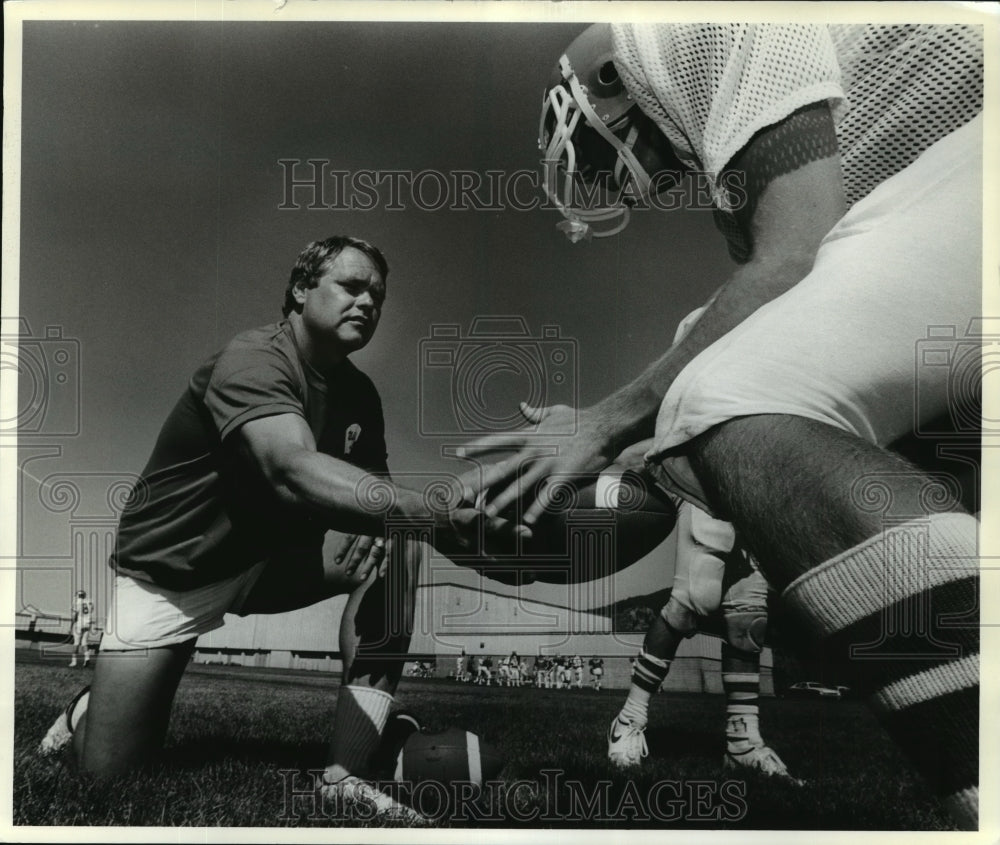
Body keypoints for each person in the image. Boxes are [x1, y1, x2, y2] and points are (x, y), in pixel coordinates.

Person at [466, 23, 982, 828]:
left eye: (600, 156)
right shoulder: (741, 155)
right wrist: (562, 488)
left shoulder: (708, 24)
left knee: (730, 399)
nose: (618, 183)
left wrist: (603, 425)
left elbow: (791, 258)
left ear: (609, 77)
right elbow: (791, 290)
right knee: (923, 473)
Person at [38, 236, 511, 822]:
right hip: (174, 570)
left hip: (267, 560)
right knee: (109, 779)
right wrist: (439, 515)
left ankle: (347, 770)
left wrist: (455, 526)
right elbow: (290, 471)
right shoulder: (253, 357)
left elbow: (372, 501)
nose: (368, 303)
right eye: (352, 286)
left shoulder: (359, 394)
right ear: (300, 289)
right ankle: (90, 712)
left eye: (378, 297)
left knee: (397, 543)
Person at [609, 499, 799, 782]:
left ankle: (742, 743)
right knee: (689, 603)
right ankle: (628, 720)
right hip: (703, 486)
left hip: (745, 497)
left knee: (749, 622)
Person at [68, 590, 94, 668]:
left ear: (78, 595)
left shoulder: (77, 603)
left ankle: (74, 662)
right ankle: (87, 659)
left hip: (79, 624)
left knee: (76, 643)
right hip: (88, 623)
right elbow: (91, 610)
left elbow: (74, 616)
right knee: (84, 643)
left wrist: (71, 626)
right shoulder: (89, 602)